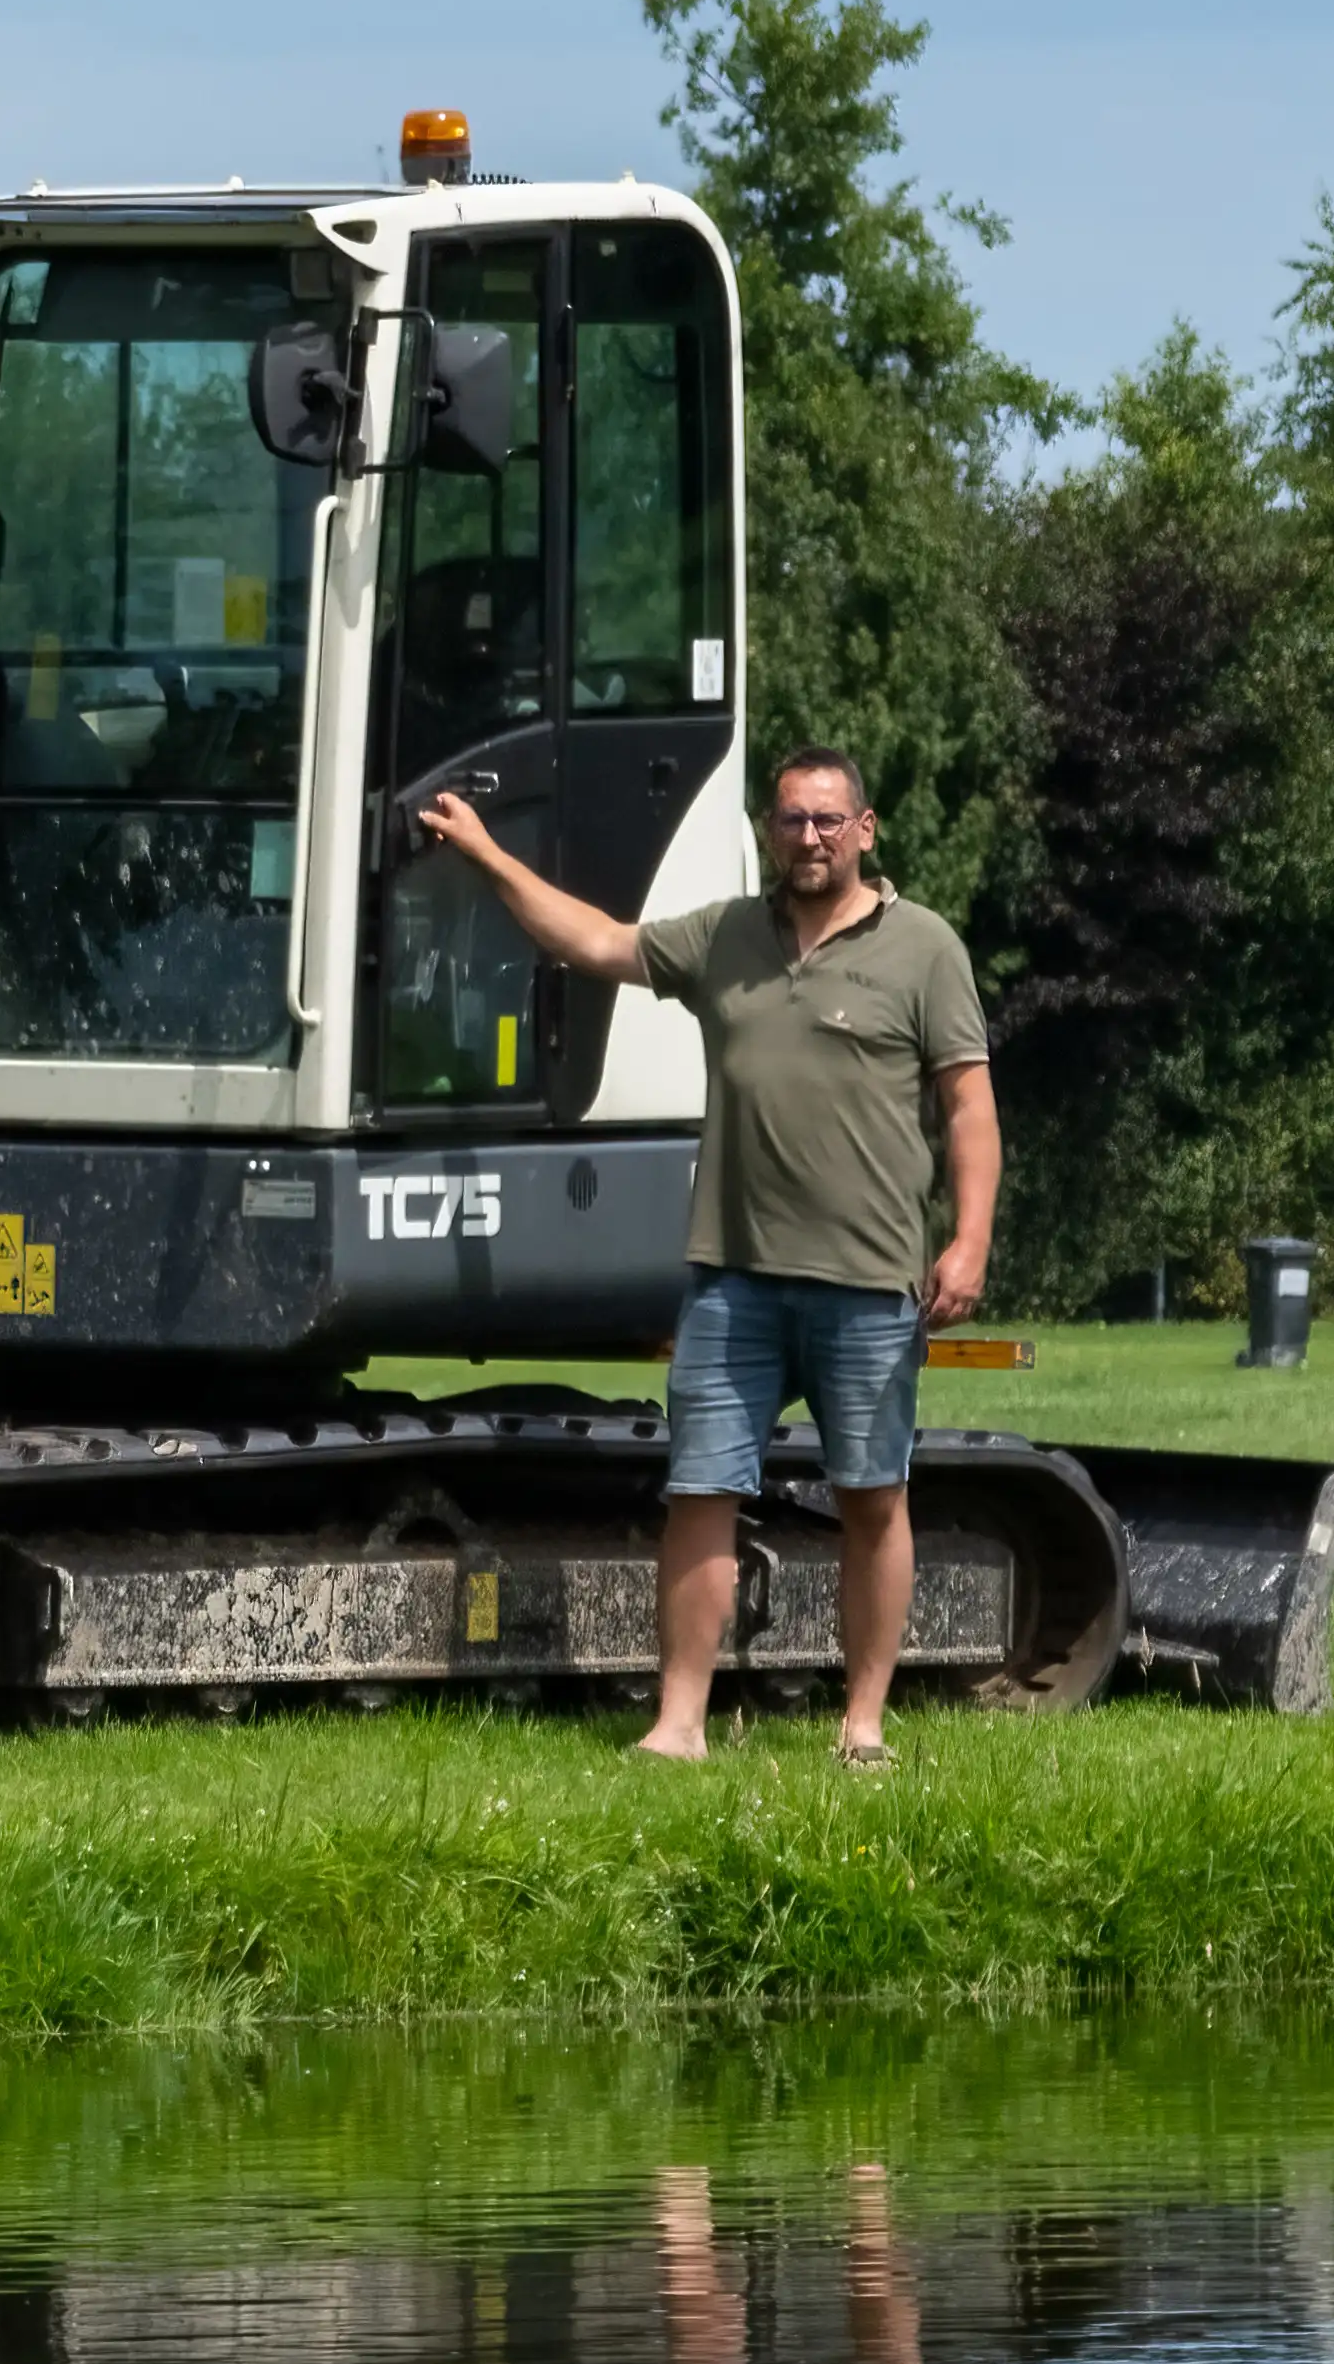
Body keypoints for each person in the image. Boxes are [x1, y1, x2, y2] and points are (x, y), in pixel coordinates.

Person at [413, 747, 999, 1766]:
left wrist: (968, 1239)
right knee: (698, 1494)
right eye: (788, 819)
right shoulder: (723, 935)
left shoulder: (923, 949)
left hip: (867, 1285)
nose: (806, 836)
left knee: (871, 1499)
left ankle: (860, 1726)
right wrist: (483, 856)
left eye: (826, 819)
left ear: (865, 829)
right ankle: (677, 1724)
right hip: (730, 1280)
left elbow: (967, 1105)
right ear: (768, 831)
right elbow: (593, 941)